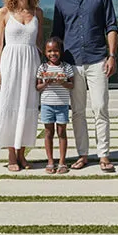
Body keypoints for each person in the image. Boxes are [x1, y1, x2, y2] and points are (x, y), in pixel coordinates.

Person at [53, 0, 118, 172]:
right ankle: (83, 154)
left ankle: (104, 155)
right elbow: (57, 34)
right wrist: (58, 65)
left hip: (98, 59)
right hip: (72, 63)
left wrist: (111, 56)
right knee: (78, 111)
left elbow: (111, 26)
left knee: (100, 107)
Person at [0, 0, 44, 172]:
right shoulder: (3, 12)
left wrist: (44, 70)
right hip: (10, 64)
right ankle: (11, 154)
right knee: (9, 106)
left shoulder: (38, 13)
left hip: (31, 64)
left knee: (27, 108)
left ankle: (22, 153)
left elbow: (39, 43)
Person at [36, 36, 74, 174]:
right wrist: (46, 82)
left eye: (56, 50)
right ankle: (50, 161)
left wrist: (62, 82)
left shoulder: (66, 67)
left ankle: (62, 162)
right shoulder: (42, 68)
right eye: (50, 51)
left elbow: (72, 84)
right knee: (48, 132)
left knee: (62, 132)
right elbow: (38, 87)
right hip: (47, 104)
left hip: (62, 105)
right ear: (45, 53)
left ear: (61, 51)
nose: (53, 54)